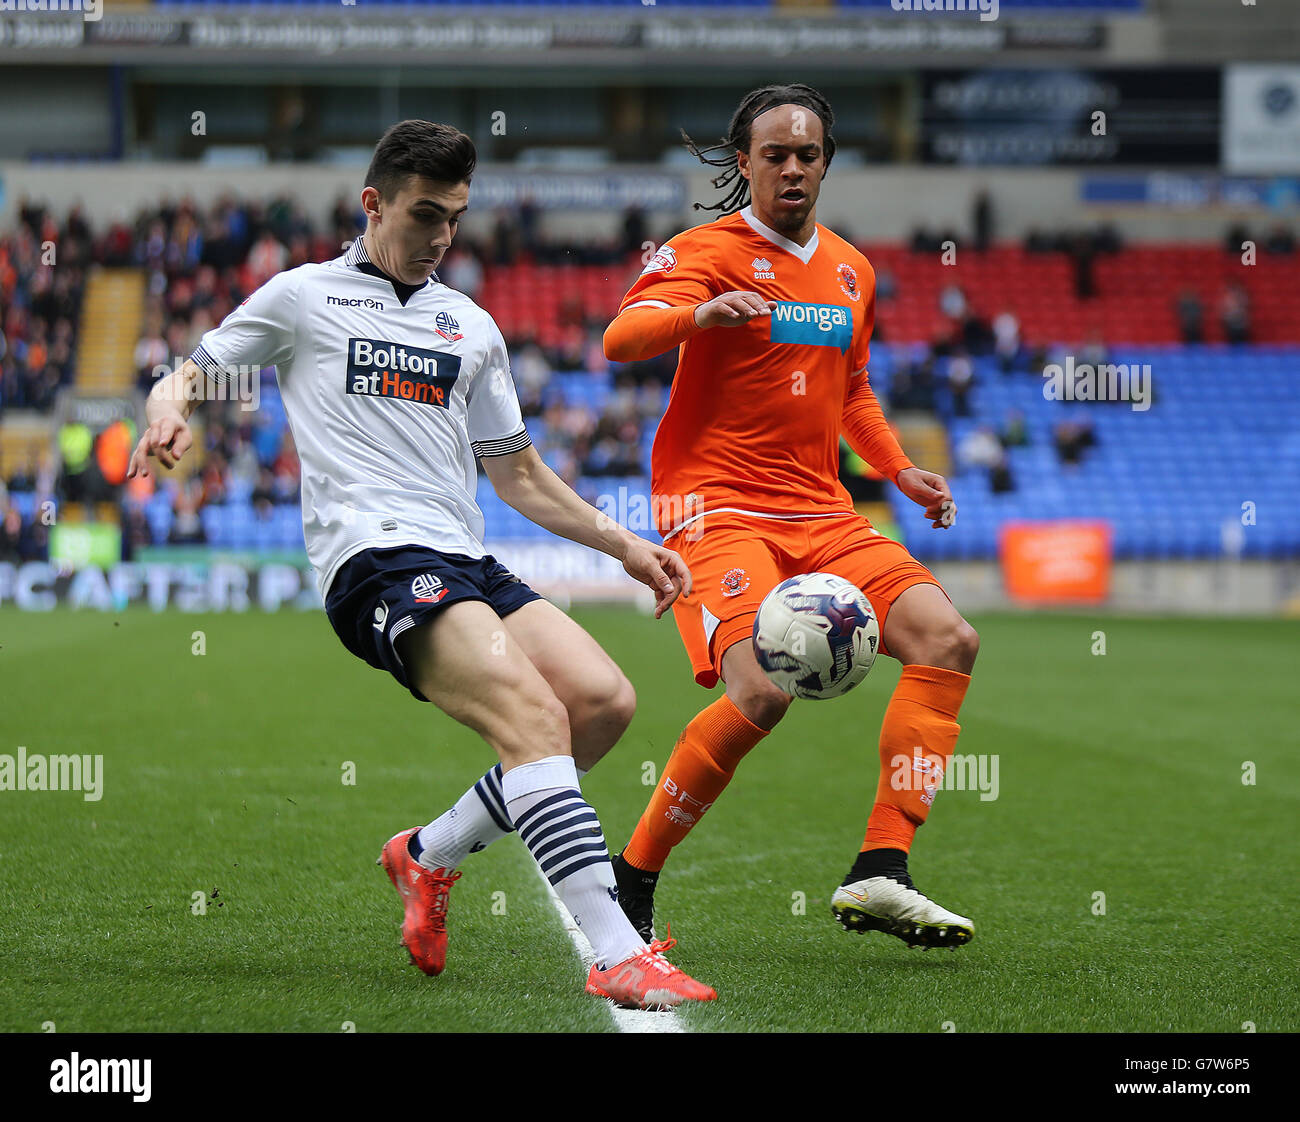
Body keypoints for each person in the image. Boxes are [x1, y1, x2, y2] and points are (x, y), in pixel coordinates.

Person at [127, 120, 715, 1011]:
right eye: (426, 214)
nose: (443, 236)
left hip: (464, 555)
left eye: (457, 218)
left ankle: (429, 854)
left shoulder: (470, 325)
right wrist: (168, 412)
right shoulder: (302, 297)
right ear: (374, 203)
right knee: (530, 716)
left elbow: (516, 472)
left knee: (601, 704)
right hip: (373, 559)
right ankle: (614, 951)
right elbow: (192, 371)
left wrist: (624, 543)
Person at [603, 85, 979, 951]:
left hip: (821, 507)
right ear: (746, 164)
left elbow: (853, 391)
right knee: (763, 692)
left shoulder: (853, 270)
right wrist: (697, 313)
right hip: (717, 502)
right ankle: (633, 879)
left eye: (808, 154)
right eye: (775, 154)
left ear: (826, 163)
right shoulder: (707, 249)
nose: (793, 168)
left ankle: (882, 868)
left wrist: (898, 470)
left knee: (949, 641)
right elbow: (622, 338)